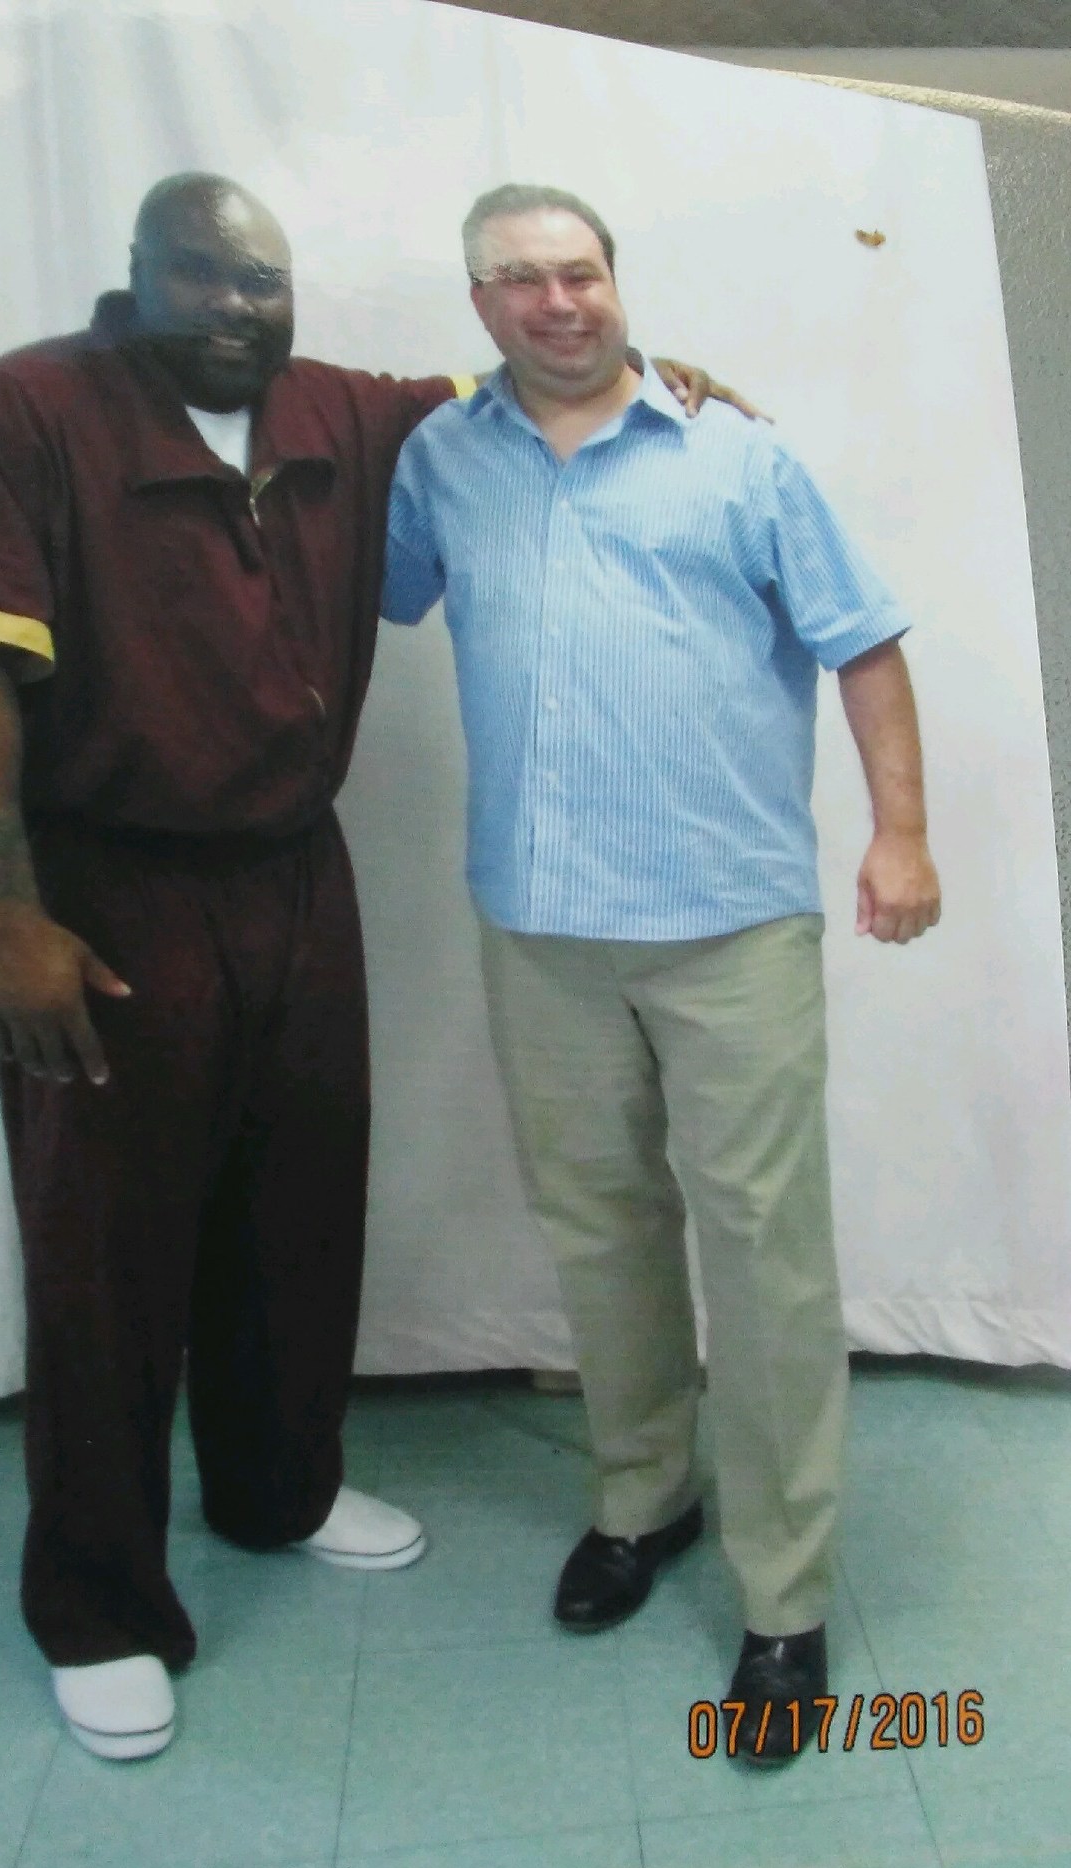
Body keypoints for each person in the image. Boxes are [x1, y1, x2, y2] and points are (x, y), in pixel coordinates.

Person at [0, 172, 741, 1762]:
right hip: (110, 892)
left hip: (297, 872)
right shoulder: (16, 419)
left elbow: (512, 390)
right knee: (106, 1261)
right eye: (203, 277)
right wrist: (5, 919)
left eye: (264, 282)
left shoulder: (341, 414)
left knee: (293, 1212)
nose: (238, 308)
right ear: (137, 275)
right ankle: (96, 1606)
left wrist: (670, 376)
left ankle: (279, 1492)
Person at [382, 182, 942, 1765]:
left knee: (766, 1259)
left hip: (727, 927)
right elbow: (374, 583)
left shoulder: (738, 455)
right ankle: (644, 1500)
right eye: (519, 281)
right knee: (601, 1229)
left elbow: (865, 642)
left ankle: (785, 1595)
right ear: (480, 306)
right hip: (540, 929)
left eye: (579, 272)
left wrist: (903, 835)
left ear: (618, 281)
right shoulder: (441, 462)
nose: (556, 302)